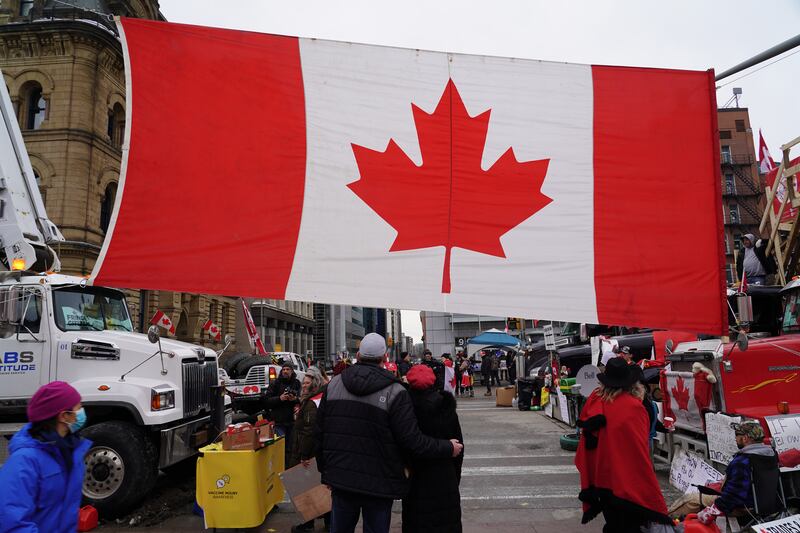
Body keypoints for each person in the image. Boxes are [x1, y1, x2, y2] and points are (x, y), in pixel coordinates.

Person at [315, 333, 463, 533]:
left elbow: (320, 432)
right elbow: (411, 440)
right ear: (385, 358)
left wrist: (326, 472)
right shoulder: (395, 391)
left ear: (357, 355)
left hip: (341, 479)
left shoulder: (333, 385)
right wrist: (447, 447)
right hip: (379, 482)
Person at [575, 358, 672, 532]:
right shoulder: (633, 407)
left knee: (613, 524)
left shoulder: (595, 402)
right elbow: (638, 450)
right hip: (628, 483)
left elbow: (586, 445)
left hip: (601, 479)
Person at [0, 381, 92, 532]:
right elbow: (12, 523)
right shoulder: (24, 461)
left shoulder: (69, 451)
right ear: (64, 416)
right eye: (79, 407)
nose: (82, 411)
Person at [669, 420, 779, 523]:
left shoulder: (743, 461)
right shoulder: (771, 455)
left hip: (743, 506)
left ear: (745, 438)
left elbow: (734, 496)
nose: (735, 439)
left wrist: (713, 510)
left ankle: (665, 521)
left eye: (737, 436)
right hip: (764, 503)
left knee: (690, 499)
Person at [402, 365, 464, 533]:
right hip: (445, 477)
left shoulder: (404, 409)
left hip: (416, 479)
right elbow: (459, 448)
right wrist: (454, 475)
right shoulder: (446, 408)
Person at [289, 368, 330, 532]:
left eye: (307, 383)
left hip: (309, 453)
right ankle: (328, 523)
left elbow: (309, 430)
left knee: (308, 487)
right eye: (303, 382)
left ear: (314, 385)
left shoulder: (312, 402)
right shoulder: (314, 399)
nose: (303, 386)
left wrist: (304, 455)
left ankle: (308, 524)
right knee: (321, 487)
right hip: (318, 451)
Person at [263, 361, 301, 453]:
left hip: (292, 422)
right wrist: (280, 398)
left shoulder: (296, 383)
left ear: (292, 371)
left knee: (291, 448)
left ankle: (288, 466)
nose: (285, 371)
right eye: (283, 369)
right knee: (281, 448)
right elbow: (266, 401)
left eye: (288, 369)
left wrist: (295, 399)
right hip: (278, 422)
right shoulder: (275, 383)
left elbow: (301, 399)